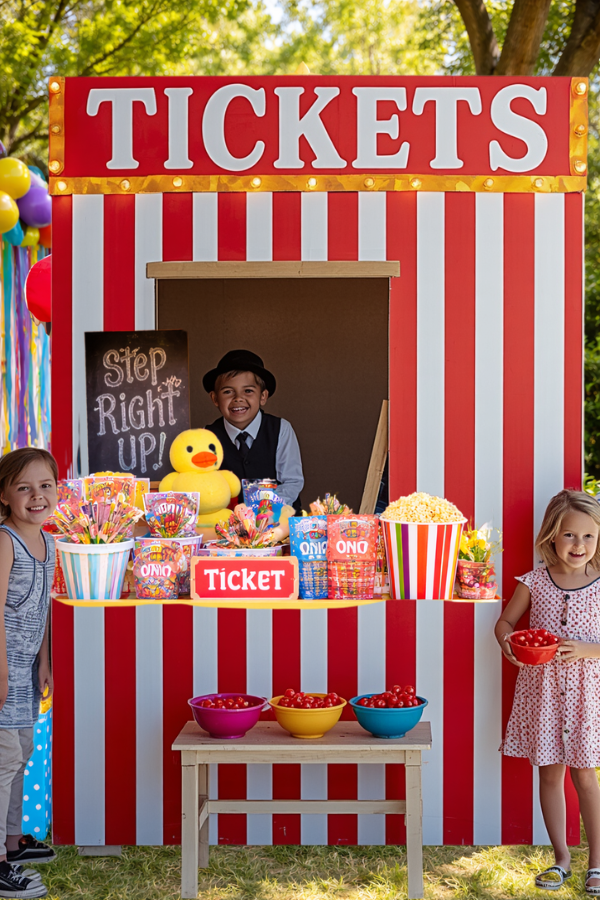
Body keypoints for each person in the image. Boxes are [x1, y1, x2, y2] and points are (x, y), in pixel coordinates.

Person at [496, 490, 600, 895]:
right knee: (550, 775)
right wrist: (508, 644)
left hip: (586, 698)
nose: (579, 545)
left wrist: (589, 649)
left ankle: (597, 864)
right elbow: (505, 622)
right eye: (570, 535)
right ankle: (561, 858)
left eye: (589, 537)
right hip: (541, 695)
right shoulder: (535, 580)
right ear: (551, 537)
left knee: (586, 777)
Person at [0, 448, 59, 899]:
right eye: (24, 487)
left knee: (20, 753)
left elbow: (40, 609)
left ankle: (13, 841)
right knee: (2, 762)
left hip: (25, 670)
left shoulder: (48, 540)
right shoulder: (5, 541)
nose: (36, 496)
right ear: (4, 495)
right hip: (2, 669)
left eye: (45, 486)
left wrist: (43, 660)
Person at [203, 350, 304, 513]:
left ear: (263, 396)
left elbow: (291, 482)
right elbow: (204, 486)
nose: (238, 398)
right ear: (215, 398)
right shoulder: (206, 437)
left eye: (248, 391)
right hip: (228, 526)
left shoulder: (280, 429)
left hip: (278, 522)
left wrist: (264, 512)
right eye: (228, 391)